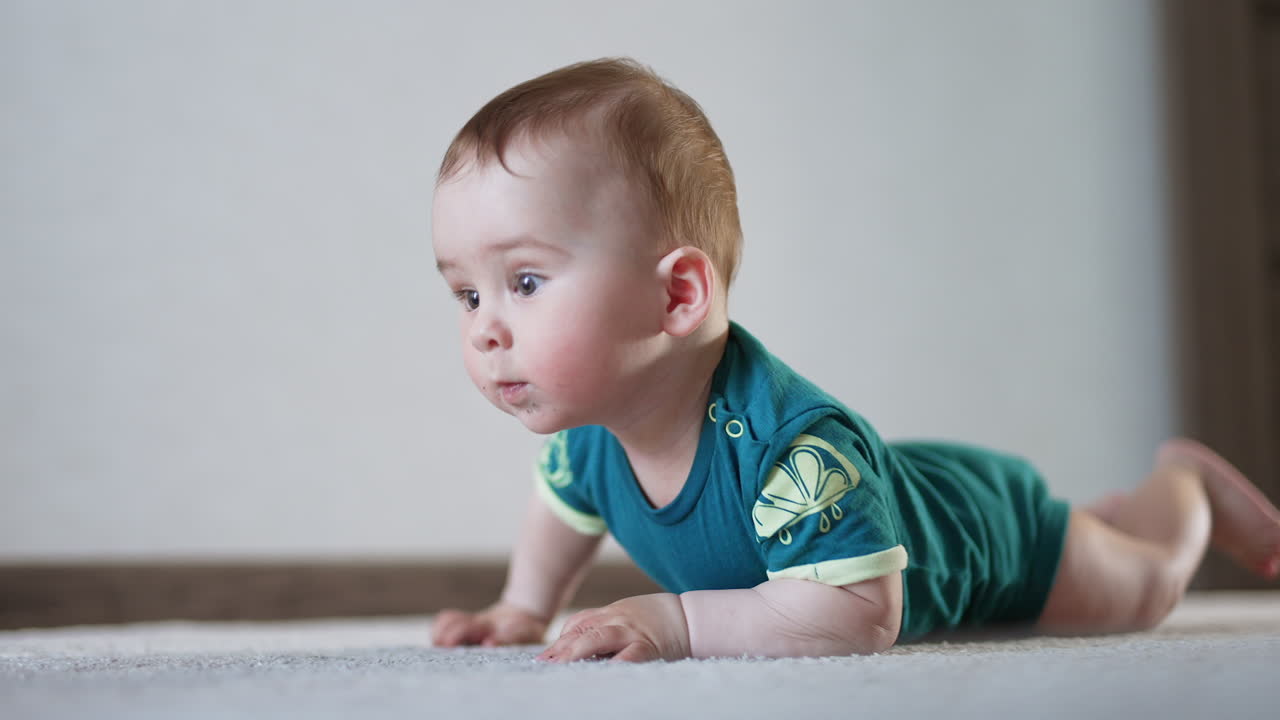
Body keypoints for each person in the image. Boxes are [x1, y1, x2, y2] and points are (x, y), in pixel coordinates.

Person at [428, 57, 1280, 662]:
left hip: (993, 541)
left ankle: (1183, 491)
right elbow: (560, 510)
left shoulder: (791, 450)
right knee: (1098, 543)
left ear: (676, 298)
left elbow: (853, 616)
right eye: (468, 295)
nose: (484, 328)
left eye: (526, 280)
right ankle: (1119, 513)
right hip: (880, 496)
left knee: (1139, 593)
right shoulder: (587, 439)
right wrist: (524, 607)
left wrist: (679, 622)